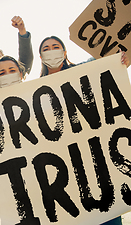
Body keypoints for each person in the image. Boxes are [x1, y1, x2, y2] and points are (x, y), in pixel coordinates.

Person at [38, 35, 129, 225]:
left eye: (55, 46)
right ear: (40, 56)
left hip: (94, 157)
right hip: (62, 163)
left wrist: (118, 59)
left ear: (64, 52)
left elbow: (102, 61)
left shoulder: (81, 71)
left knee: (107, 209)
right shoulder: (33, 89)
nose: (51, 50)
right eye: (46, 48)